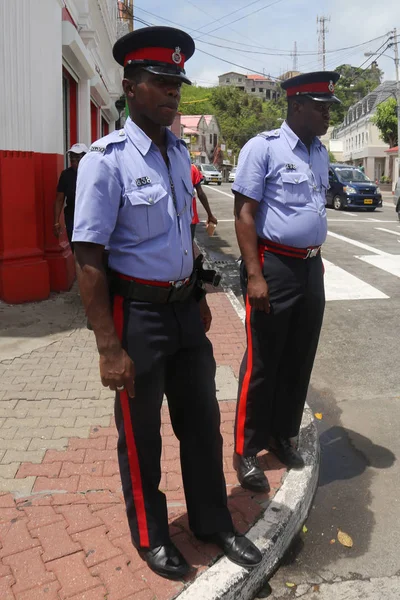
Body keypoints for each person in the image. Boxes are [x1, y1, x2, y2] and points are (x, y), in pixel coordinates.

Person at [72, 25, 261, 580]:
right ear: (130, 87)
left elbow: (185, 234)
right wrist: (108, 345)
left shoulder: (179, 154)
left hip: (184, 313)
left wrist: (198, 291)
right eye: (160, 82)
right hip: (137, 318)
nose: (173, 92)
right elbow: (87, 256)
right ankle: (152, 534)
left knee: (202, 423)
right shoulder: (104, 161)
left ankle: (212, 521)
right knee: (141, 434)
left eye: (177, 82)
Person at [231, 71, 340, 493]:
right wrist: (254, 274)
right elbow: (244, 215)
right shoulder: (263, 149)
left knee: (299, 358)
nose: (327, 113)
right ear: (296, 107)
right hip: (273, 266)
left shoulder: (320, 153)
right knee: (262, 362)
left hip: (310, 268)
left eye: (329, 106)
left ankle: (281, 434)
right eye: (320, 106)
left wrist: (315, 259)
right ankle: (245, 450)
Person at [53, 144, 88, 248]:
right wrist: (56, 222)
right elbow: (59, 199)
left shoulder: (92, 172)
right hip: (71, 216)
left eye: (77, 156)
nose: (73, 159)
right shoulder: (66, 175)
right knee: (75, 246)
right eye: (71, 156)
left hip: (88, 216)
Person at [190, 163, 218, 240]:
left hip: (171, 217)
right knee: (188, 244)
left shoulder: (168, 167)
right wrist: (210, 214)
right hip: (190, 216)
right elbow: (200, 193)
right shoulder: (192, 168)